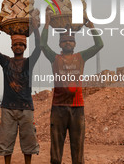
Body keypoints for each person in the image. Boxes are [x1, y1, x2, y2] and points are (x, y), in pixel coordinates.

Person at [40, 13, 103, 164]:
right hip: (58, 108)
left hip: (77, 108)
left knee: (78, 150)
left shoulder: (81, 57)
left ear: (74, 44)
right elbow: (42, 45)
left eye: (70, 41)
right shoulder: (54, 58)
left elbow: (99, 45)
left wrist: (92, 26)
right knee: (56, 152)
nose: (68, 43)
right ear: (60, 44)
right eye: (64, 41)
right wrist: (47, 24)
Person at [0, 19, 41, 164]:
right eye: (15, 44)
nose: (18, 47)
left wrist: (35, 28)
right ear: (12, 47)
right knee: (6, 140)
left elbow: (39, 47)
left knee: (29, 141)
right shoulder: (6, 62)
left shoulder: (29, 63)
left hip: (26, 108)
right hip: (8, 108)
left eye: (21, 44)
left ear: (25, 47)